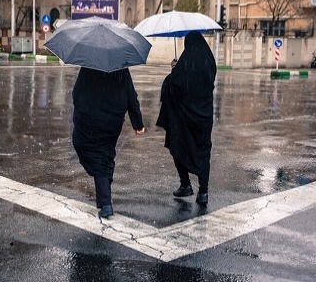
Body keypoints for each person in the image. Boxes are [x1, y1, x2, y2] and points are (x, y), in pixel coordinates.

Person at [72, 67, 145, 219]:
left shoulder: (89, 65)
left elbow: (76, 93)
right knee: (105, 153)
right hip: (113, 121)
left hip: (90, 118)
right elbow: (131, 96)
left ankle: (106, 202)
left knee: (94, 155)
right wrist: (137, 123)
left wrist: (81, 111)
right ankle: (105, 181)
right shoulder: (121, 68)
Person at [156, 31, 216, 206]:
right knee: (204, 151)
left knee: (178, 146)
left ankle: (185, 184)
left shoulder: (186, 62)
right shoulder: (209, 61)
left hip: (184, 119)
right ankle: (203, 192)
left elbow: (172, 84)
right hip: (204, 117)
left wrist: (175, 69)